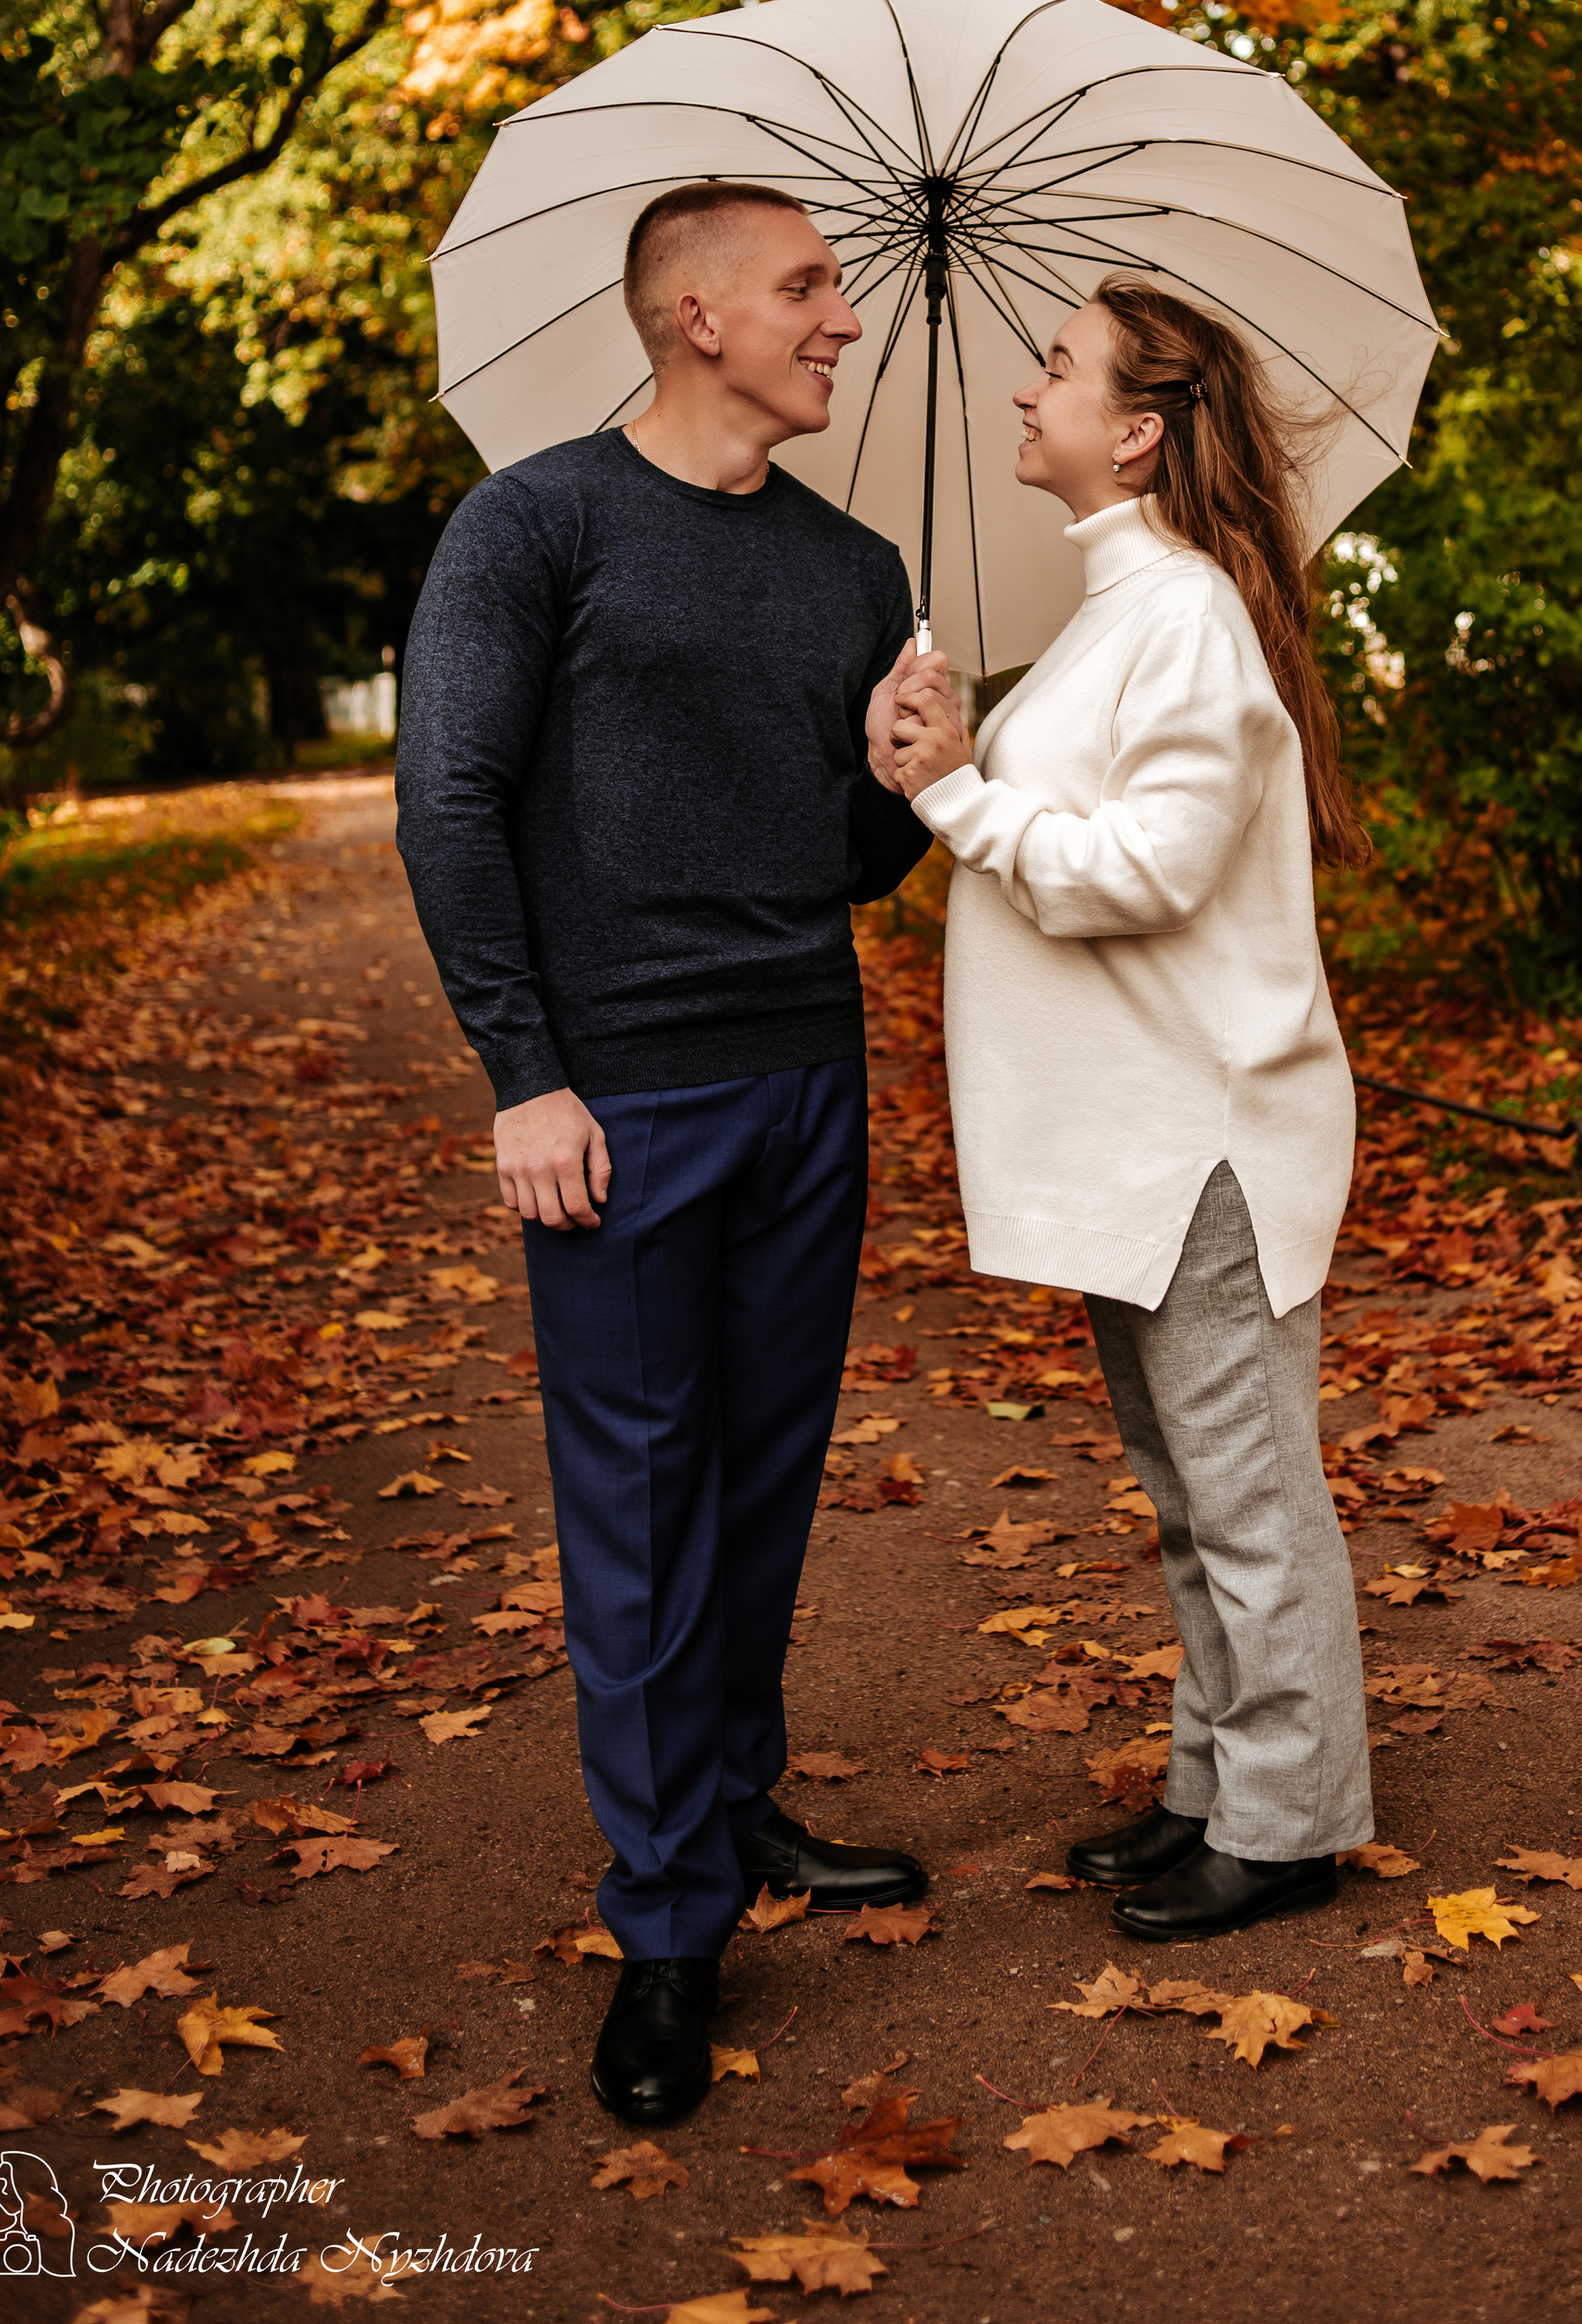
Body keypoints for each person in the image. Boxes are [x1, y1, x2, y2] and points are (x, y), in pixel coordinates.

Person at [397, 179, 935, 2125]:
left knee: (763, 1481)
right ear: (696, 314)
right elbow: (447, 797)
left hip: (805, 1078)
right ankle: (667, 1926)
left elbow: (846, 867)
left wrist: (908, 775)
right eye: (807, 287)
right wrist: (522, 1073)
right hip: (616, 1104)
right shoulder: (532, 525)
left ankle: (727, 1803)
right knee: (639, 1504)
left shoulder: (857, 568)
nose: (843, 320)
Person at [889, 278, 1374, 1939]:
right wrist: (953, 755)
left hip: (1203, 1139)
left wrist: (959, 794)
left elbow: (1149, 871)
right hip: (1132, 1142)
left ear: (1141, 430)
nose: (1028, 393)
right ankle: (1214, 1783)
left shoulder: (1182, 615)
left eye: (1057, 368)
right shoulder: (1117, 608)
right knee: (1192, 1497)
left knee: (1250, 1500)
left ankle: (1289, 1820)